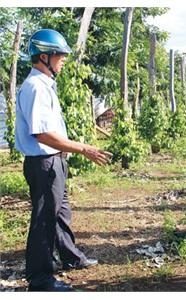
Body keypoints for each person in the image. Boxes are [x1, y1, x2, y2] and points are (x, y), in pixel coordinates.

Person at [15, 29, 112, 292]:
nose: (63, 60)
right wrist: (83, 148)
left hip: (53, 162)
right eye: (60, 56)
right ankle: (40, 279)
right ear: (44, 56)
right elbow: (41, 133)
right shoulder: (36, 87)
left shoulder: (45, 85)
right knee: (44, 218)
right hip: (44, 163)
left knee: (60, 213)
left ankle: (70, 257)